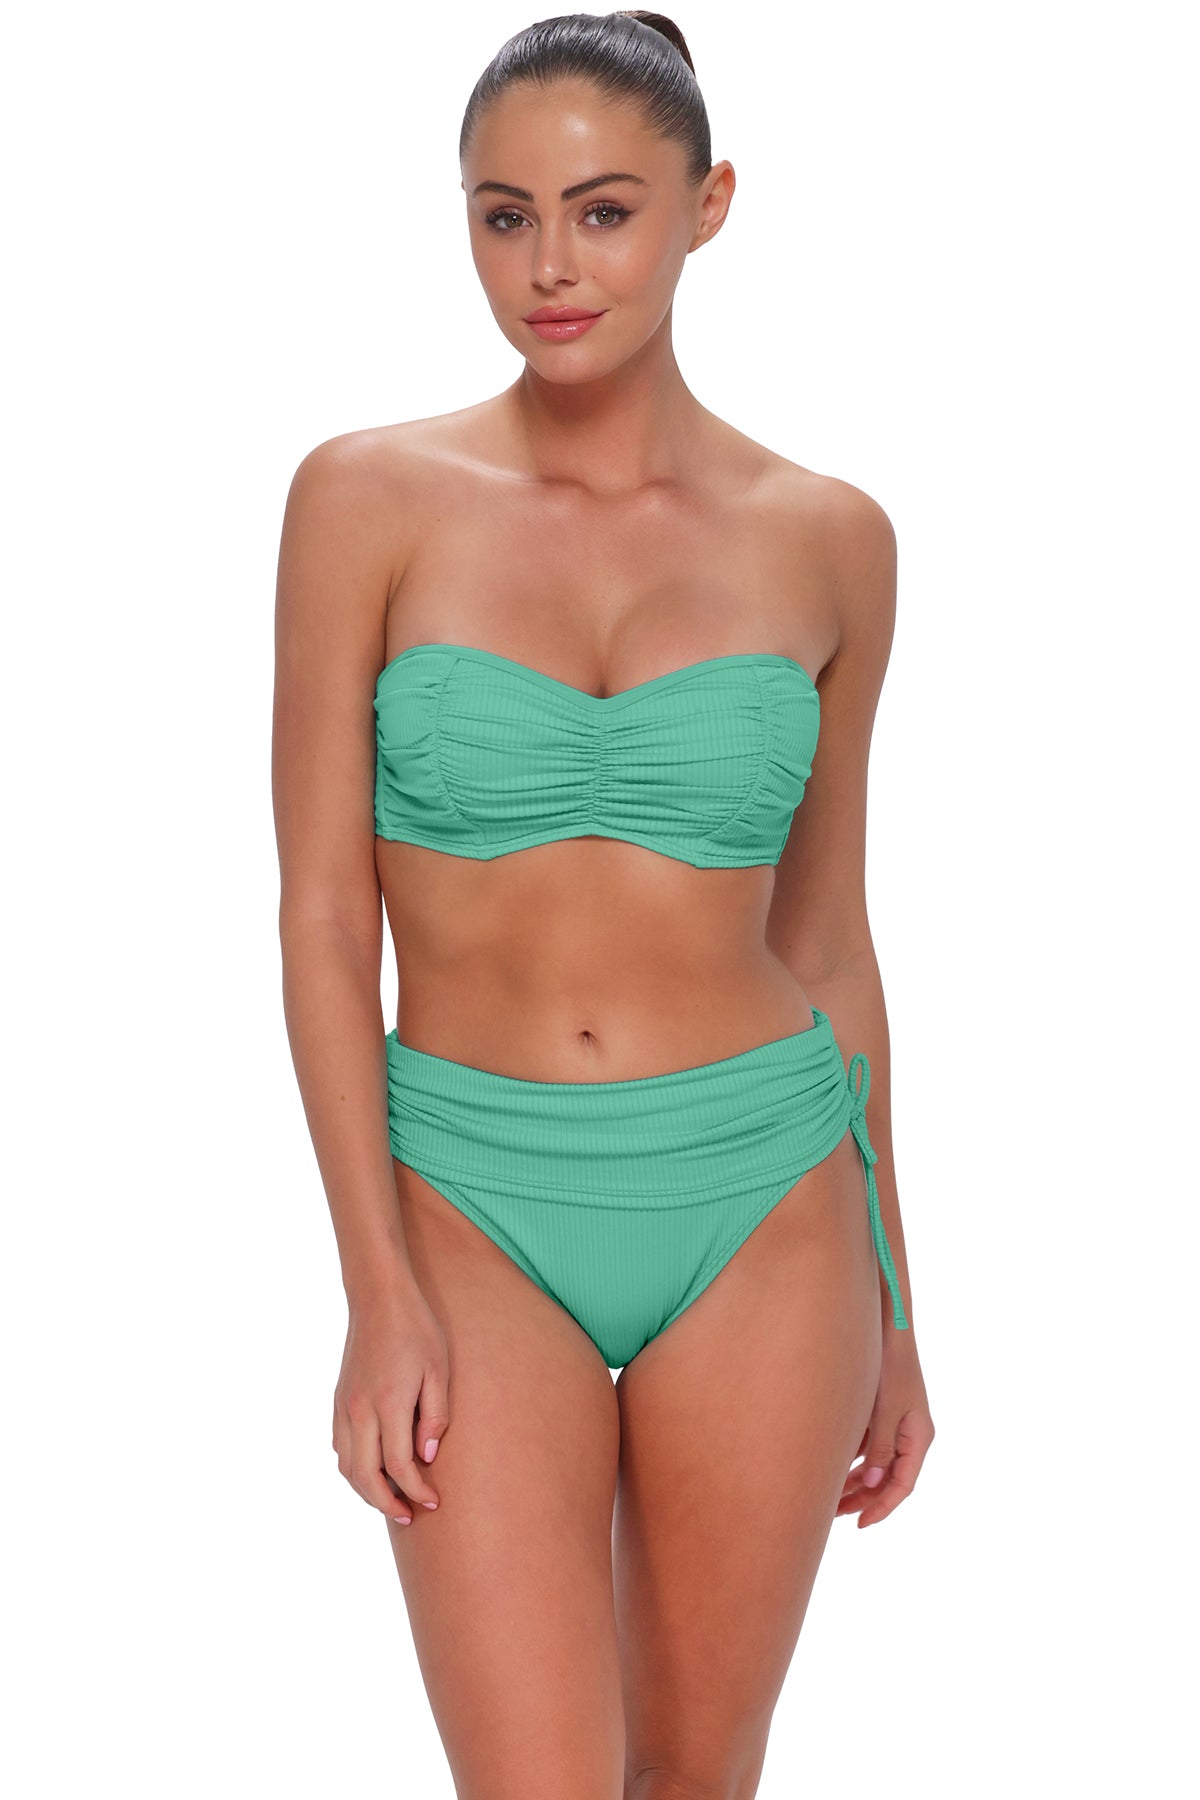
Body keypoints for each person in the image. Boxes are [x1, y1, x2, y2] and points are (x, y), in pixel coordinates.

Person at [272, 10, 935, 1794]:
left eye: (604, 211)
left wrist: (897, 1304)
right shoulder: (364, 501)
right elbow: (325, 922)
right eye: (505, 217)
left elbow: (828, 938)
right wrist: (375, 1287)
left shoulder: (831, 538)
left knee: (700, 1777)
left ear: (709, 206)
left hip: (767, 1197)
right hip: (469, 1197)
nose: (550, 268)